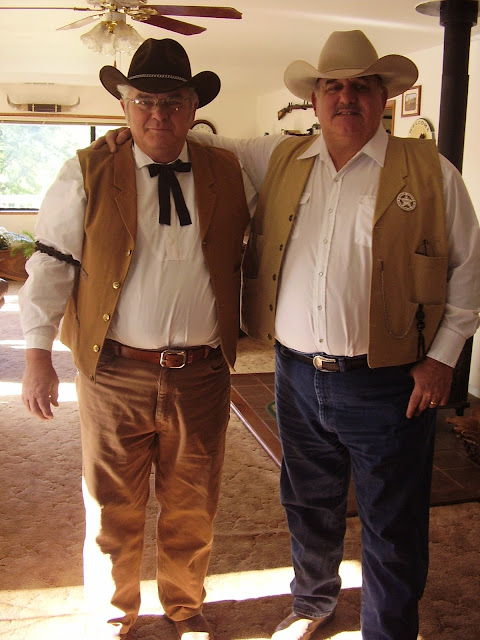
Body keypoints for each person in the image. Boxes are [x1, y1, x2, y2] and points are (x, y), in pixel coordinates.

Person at [99, 30, 480, 640]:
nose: (346, 97)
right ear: (315, 98)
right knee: (307, 501)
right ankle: (312, 603)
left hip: (389, 382)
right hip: (296, 375)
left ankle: (388, 631)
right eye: (333, 86)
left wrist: (442, 359)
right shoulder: (278, 156)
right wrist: (129, 131)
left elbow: (468, 271)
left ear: (382, 96)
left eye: (361, 86)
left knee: (393, 520)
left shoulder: (431, 171)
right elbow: (195, 138)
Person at [19, 38, 252, 640]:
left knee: (193, 502)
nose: (158, 114)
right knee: (110, 504)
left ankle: (185, 605)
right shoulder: (86, 170)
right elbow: (50, 264)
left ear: (193, 108)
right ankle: (113, 614)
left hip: (202, 372)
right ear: (124, 107)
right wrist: (37, 355)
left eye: (172, 102)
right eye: (144, 101)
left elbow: (289, 154)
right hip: (115, 371)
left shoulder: (230, 168)